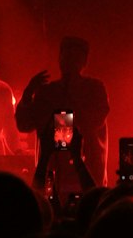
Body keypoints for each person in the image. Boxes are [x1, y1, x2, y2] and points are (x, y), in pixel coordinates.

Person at [15, 36, 109, 188]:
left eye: (75, 58)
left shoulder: (94, 88)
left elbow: (94, 120)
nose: (69, 61)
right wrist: (28, 94)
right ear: (59, 59)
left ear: (84, 62)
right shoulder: (48, 91)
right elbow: (24, 125)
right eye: (66, 56)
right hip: (53, 175)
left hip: (86, 173)